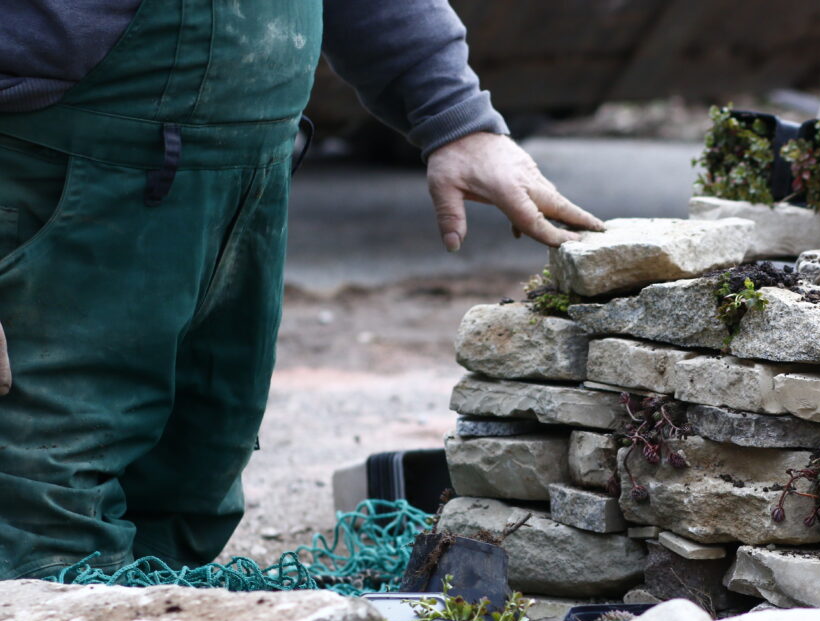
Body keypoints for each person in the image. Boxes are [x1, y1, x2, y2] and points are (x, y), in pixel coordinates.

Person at [0, 0, 603, 580]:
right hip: (60, 178)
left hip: (244, 184)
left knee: (192, 488)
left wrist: (454, 114)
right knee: (45, 514)